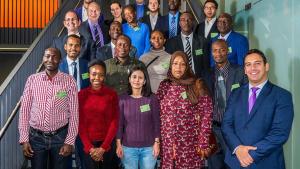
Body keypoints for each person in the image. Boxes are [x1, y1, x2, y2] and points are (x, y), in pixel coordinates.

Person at [221, 49, 294, 169]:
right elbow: (226, 125)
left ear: (266, 66)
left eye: (257, 63)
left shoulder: (282, 96)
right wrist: (238, 149)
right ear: (245, 70)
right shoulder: (235, 93)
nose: (253, 68)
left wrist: (250, 155)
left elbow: (279, 134)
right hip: (235, 162)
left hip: (266, 163)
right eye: (248, 65)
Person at [18, 48, 78, 169]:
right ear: (43, 58)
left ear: (60, 60)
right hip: (36, 138)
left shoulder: (69, 81)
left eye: (54, 56)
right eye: (47, 56)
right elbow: (24, 111)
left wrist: (69, 141)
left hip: (60, 137)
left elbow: (74, 114)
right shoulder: (32, 80)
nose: (50, 59)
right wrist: (24, 139)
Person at [157, 51, 213, 168]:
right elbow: (158, 114)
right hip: (167, 144)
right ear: (171, 65)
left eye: (182, 64)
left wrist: (203, 141)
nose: (178, 67)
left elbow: (206, 114)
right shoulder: (164, 85)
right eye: (175, 63)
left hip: (189, 144)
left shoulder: (196, 85)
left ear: (187, 66)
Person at [204, 39, 247, 169]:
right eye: (215, 50)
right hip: (213, 129)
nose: (218, 53)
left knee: (234, 165)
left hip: (233, 129)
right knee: (215, 165)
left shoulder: (240, 71)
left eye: (222, 50)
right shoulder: (206, 74)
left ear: (227, 51)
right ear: (211, 53)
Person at [116, 66, 160, 169]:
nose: (137, 80)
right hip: (128, 148)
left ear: (144, 81)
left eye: (140, 78)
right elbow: (120, 124)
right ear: (129, 79)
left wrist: (157, 143)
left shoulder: (152, 98)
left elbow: (156, 122)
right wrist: (118, 144)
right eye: (134, 77)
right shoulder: (122, 99)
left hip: (149, 148)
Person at [78, 59, 119, 169]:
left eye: (101, 75)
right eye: (94, 74)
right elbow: (80, 124)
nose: (97, 78)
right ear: (89, 75)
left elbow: (114, 122)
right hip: (88, 145)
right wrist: (90, 148)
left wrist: (103, 148)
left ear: (104, 77)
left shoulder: (112, 95)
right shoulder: (81, 95)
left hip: (107, 144)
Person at [58, 34, 89, 169]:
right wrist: (71, 99)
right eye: (70, 45)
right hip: (64, 116)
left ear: (80, 48)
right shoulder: (58, 66)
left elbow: (89, 87)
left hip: (83, 115)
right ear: (65, 47)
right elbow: (56, 93)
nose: (73, 48)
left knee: (83, 151)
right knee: (65, 153)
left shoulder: (86, 65)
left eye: (77, 45)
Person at [166, 12, 210, 78]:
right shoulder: (171, 42)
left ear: (193, 22)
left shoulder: (203, 41)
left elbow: (206, 65)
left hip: (198, 80)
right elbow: (168, 65)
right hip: (178, 80)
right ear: (179, 23)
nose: (186, 22)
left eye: (189, 20)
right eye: (183, 20)